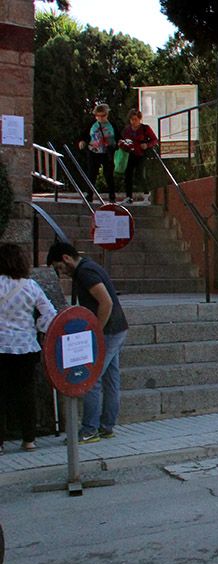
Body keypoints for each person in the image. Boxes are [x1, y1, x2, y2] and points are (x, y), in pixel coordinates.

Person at [46, 242, 128, 443]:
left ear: (66, 258)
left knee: (91, 380)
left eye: (59, 267)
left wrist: (96, 332)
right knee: (111, 379)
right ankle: (106, 427)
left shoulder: (84, 272)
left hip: (108, 331)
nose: (61, 272)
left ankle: (89, 429)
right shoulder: (90, 266)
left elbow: (106, 302)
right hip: (118, 328)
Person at [0, 244, 57, 454]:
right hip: (26, 346)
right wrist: (38, 328)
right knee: (26, 393)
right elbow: (50, 313)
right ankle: (29, 439)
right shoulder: (31, 286)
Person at [117, 108, 159, 204]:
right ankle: (128, 197)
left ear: (140, 119)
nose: (133, 121)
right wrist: (121, 143)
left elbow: (154, 140)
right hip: (129, 155)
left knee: (140, 175)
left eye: (135, 119)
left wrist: (147, 145)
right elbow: (122, 139)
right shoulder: (127, 130)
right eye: (131, 119)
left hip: (141, 155)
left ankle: (146, 195)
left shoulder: (145, 128)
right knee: (128, 175)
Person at [77, 103, 117, 204]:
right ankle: (89, 195)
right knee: (91, 173)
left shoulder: (112, 125)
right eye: (97, 116)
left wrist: (116, 144)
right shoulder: (92, 124)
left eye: (102, 115)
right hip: (93, 152)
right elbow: (84, 135)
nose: (99, 118)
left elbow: (118, 137)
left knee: (108, 174)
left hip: (106, 152)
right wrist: (82, 141)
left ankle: (112, 196)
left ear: (107, 115)